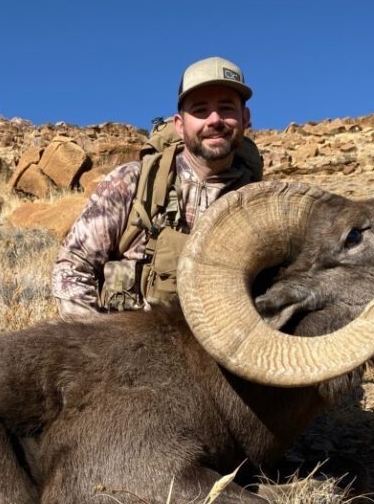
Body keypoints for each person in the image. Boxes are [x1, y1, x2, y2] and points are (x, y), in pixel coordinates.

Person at [52, 56, 263, 319]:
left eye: (226, 108)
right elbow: (72, 267)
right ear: (179, 125)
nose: (214, 119)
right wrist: (94, 342)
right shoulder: (130, 181)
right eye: (200, 110)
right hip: (126, 342)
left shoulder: (261, 204)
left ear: (245, 117)